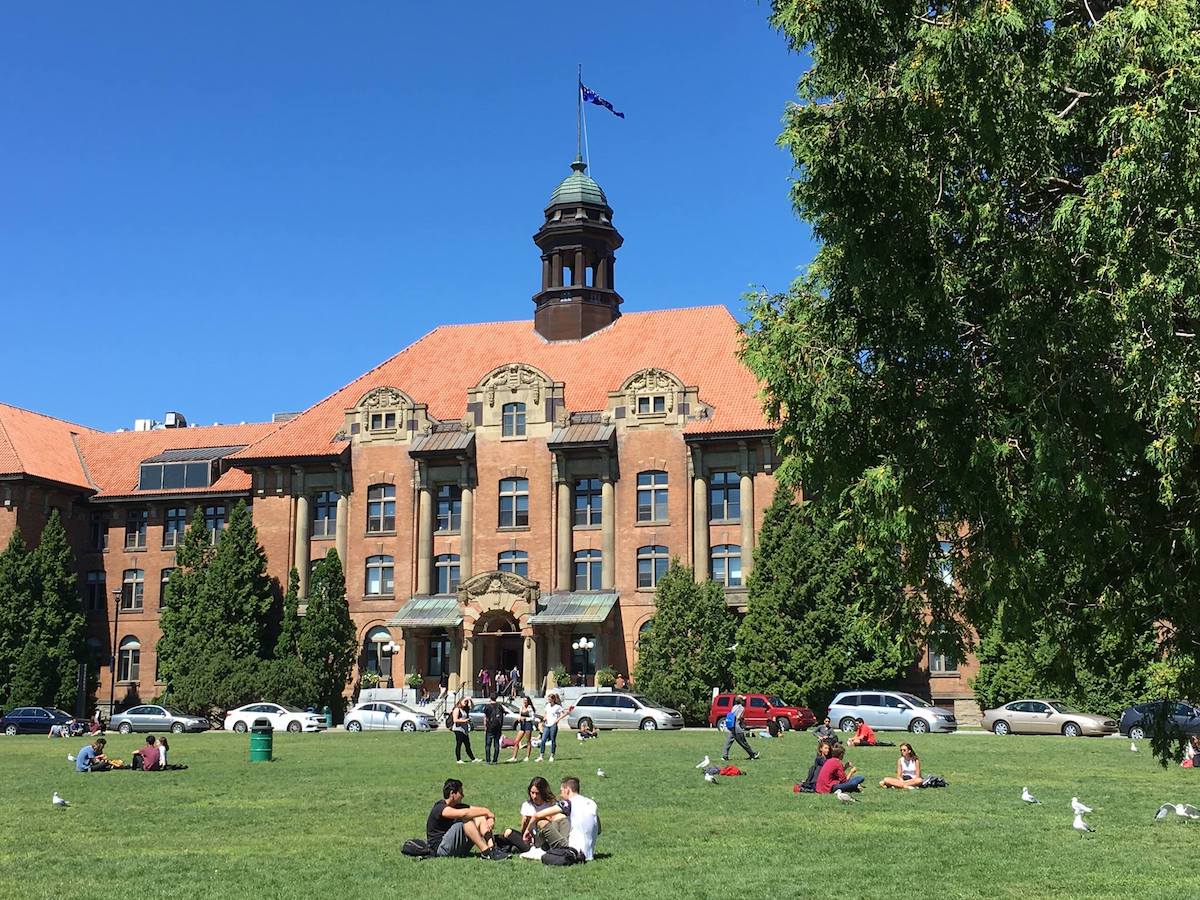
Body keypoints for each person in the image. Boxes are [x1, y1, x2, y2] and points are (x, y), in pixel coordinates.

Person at [426, 778, 508, 860]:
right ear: (452, 793)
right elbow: (465, 813)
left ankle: (492, 848)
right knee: (467, 819)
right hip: (441, 849)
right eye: (461, 792)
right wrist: (487, 812)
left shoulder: (458, 806)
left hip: (455, 847)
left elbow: (478, 811)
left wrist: (490, 817)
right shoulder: (440, 807)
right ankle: (486, 852)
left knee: (479, 816)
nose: (463, 795)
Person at [525, 776, 600, 861]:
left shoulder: (569, 803)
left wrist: (527, 831)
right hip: (589, 855)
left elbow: (536, 815)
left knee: (541, 822)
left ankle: (538, 849)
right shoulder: (592, 803)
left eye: (561, 791)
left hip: (572, 852)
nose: (561, 795)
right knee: (561, 819)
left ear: (567, 790)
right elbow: (598, 830)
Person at [497, 777, 569, 854]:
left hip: (544, 838)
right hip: (531, 838)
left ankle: (519, 848)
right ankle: (521, 848)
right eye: (532, 793)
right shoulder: (527, 805)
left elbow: (555, 824)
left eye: (537, 793)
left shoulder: (551, 804)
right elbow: (523, 832)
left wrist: (538, 819)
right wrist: (525, 823)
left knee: (542, 822)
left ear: (543, 792)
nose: (534, 796)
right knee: (508, 832)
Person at [722, 695, 760, 761]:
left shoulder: (734, 707)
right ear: (741, 701)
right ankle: (753, 755)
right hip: (737, 727)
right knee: (743, 742)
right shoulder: (741, 708)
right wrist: (743, 721)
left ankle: (724, 756)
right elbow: (738, 717)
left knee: (728, 742)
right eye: (743, 700)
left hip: (731, 727)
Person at [536, 693, 565, 763]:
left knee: (552, 740)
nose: (548, 700)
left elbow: (563, 713)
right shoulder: (547, 705)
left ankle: (552, 755)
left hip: (553, 725)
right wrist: (544, 718)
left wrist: (557, 720)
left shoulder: (557, 707)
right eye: (548, 698)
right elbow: (546, 713)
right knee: (543, 740)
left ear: (553, 699)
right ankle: (541, 756)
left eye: (549, 699)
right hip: (547, 725)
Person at [451, 697, 479, 764]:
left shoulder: (464, 709)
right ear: (460, 701)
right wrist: (464, 721)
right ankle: (458, 760)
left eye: (466, 702)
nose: (466, 703)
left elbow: (472, 707)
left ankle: (473, 759)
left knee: (467, 744)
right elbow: (455, 720)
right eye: (464, 701)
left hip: (464, 729)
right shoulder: (457, 709)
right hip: (458, 729)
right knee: (459, 744)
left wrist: (470, 700)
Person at [509, 696, 537, 763]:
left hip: (528, 725)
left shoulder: (530, 708)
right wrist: (519, 718)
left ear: (528, 701)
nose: (524, 702)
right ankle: (514, 757)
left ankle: (527, 756)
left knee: (528, 741)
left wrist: (525, 718)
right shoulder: (521, 707)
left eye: (526, 700)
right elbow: (520, 715)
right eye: (523, 700)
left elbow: (533, 718)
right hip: (522, 725)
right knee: (516, 741)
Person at [483, 694, 507, 765]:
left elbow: (485, 718)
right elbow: (504, 713)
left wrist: (485, 727)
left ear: (490, 698)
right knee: (496, 744)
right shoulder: (499, 706)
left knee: (488, 745)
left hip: (490, 727)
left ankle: (488, 761)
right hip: (498, 728)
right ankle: (495, 760)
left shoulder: (487, 706)